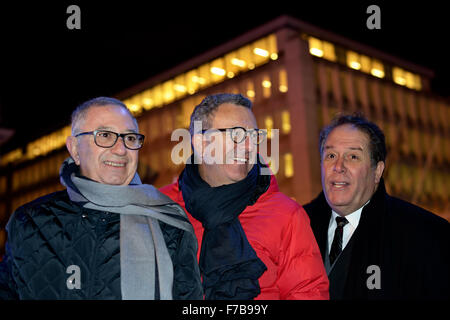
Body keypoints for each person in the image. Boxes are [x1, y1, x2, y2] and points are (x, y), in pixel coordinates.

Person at [0, 97, 202, 300]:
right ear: (75, 148)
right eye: (105, 135)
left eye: (130, 138)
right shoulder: (31, 222)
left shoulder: (169, 224)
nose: (121, 149)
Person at [160, 93, 329, 300]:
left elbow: (308, 293)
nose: (249, 147)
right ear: (201, 143)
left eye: (253, 136)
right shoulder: (161, 208)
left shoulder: (286, 215)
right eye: (237, 135)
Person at [303, 114, 450, 300]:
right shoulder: (293, 227)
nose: (338, 166)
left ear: (377, 171)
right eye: (331, 155)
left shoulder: (427, 235)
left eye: (353, 156)